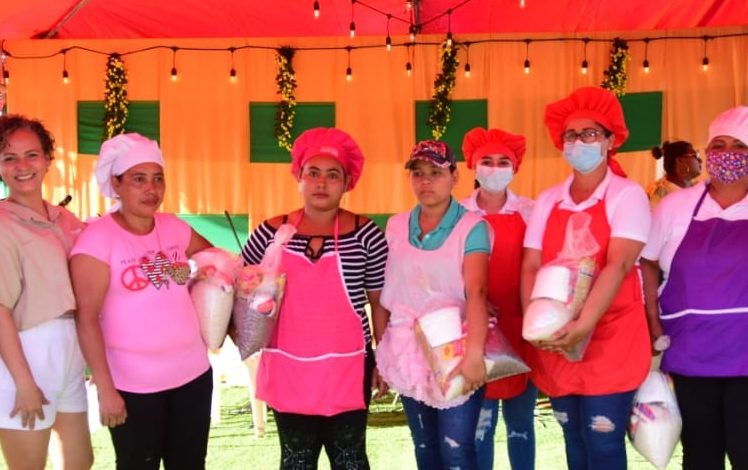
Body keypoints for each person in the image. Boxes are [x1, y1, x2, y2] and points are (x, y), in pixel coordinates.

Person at [520, 87, 651, 470]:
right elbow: (531, 264)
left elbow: (619, 265)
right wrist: (538, 325)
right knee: (572, 438)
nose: (579, 142)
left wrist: (583, 324)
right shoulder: (548, 200)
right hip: (558, 339)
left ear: (611, 141)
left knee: (603, 441)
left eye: (590, 134)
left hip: (610, 338)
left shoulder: (627, 196)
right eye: (571, 135)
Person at [242, 127, 388, 470]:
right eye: (313, 173)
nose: (322, 183)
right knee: (296, 461)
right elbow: (241, 289)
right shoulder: (270, 231)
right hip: (287, 365)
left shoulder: (366, 234)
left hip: (349, 366)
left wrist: (384, 357)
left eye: (332, 175)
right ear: (299, 177)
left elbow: (380, 301)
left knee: (350, 459)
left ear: (347, 182)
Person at [70, 133, 213, 469]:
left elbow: (213, 258)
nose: (151, 189)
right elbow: (86, 318)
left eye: (157, 178)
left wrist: (200, 273)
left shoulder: (173, 227)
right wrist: (106, 391)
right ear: (115, 184)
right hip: (133, 385)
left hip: (192, 375)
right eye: (138, 179)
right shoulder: (97, 240)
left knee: (191, 464)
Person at [640, 106, 748, 470]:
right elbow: (648, 262)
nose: (728, 153)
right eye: (719, 144)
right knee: (701, 454)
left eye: (740, 146)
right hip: (690, 351)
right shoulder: (675, 206)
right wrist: (653, 321)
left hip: (746, 351)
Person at [376, 140, 489, 470]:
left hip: (454, 352)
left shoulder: (473, 227)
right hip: (406, 352)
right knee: (424, 448)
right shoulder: (396, 225)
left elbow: (477, 292)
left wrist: (475, 355)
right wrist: (383, 354)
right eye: (418, 173)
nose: (425, 181)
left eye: (436, 173)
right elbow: (386, 290)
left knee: (455, 450)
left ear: (455, 176)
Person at [0, 115, 93, 469]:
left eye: (31, 155)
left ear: (48, 160)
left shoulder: (65, 219)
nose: (22, 166)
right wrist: (23, 382)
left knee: (79, 462)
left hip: (70, 350)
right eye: (9, 158)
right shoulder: (3, 222)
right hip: (25, 353)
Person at [460, 127, 537, 470]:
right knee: (479, 424)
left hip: (522, 325)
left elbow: (540, 265)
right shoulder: (457, 214)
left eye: (502, 161)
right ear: (472, 167)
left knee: (521, 423)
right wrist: (471, 299)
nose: (494, 168)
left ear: (515, 167)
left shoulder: (532, 211)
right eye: (486, 161)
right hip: (475, 328)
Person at [646, 140, 701, 207]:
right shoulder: (660, 194)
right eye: (695, 155)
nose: (700, 160)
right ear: (680, 161)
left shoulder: (698, 189)